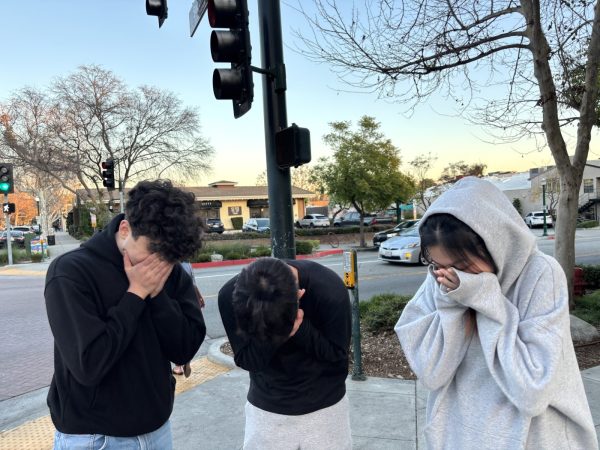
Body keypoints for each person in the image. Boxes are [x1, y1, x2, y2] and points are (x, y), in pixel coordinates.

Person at [395, 177, 598, 449]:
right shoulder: (441, 279)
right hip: (460, 433)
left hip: (533, 437)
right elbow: (432, 373)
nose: (450, 275)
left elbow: (532, 391)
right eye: (437, 264)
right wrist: (452, 304)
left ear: (494, 243)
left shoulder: (540, 274)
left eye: (463, 265)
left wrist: (484, 297)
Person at [45, 180, 206, 450]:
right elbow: (89, 365)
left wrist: (156, 295)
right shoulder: (71, 273)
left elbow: (184, 349)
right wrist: (135, 295)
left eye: (169, 258)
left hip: (157, 429)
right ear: (124, 229)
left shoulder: (170, 269)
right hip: (95, 437)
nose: (160, 264)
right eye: (153, 251)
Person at [218, 257, 352, 449]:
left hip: (326, 408)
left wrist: (300, 328)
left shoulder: (329, 290)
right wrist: (278, 332)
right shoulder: (230, 296)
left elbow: (337, 354)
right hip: (266, 410)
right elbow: (249, 361)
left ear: (300, 295)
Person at [172, 261, 205, 377]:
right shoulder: (188, 264)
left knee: (177, 332)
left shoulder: (172, 263)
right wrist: (199, 297)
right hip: (189, 301)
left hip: (176, 303)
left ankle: (178, 366)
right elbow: (193, 283)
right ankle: (187, 358)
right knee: (188, 330)